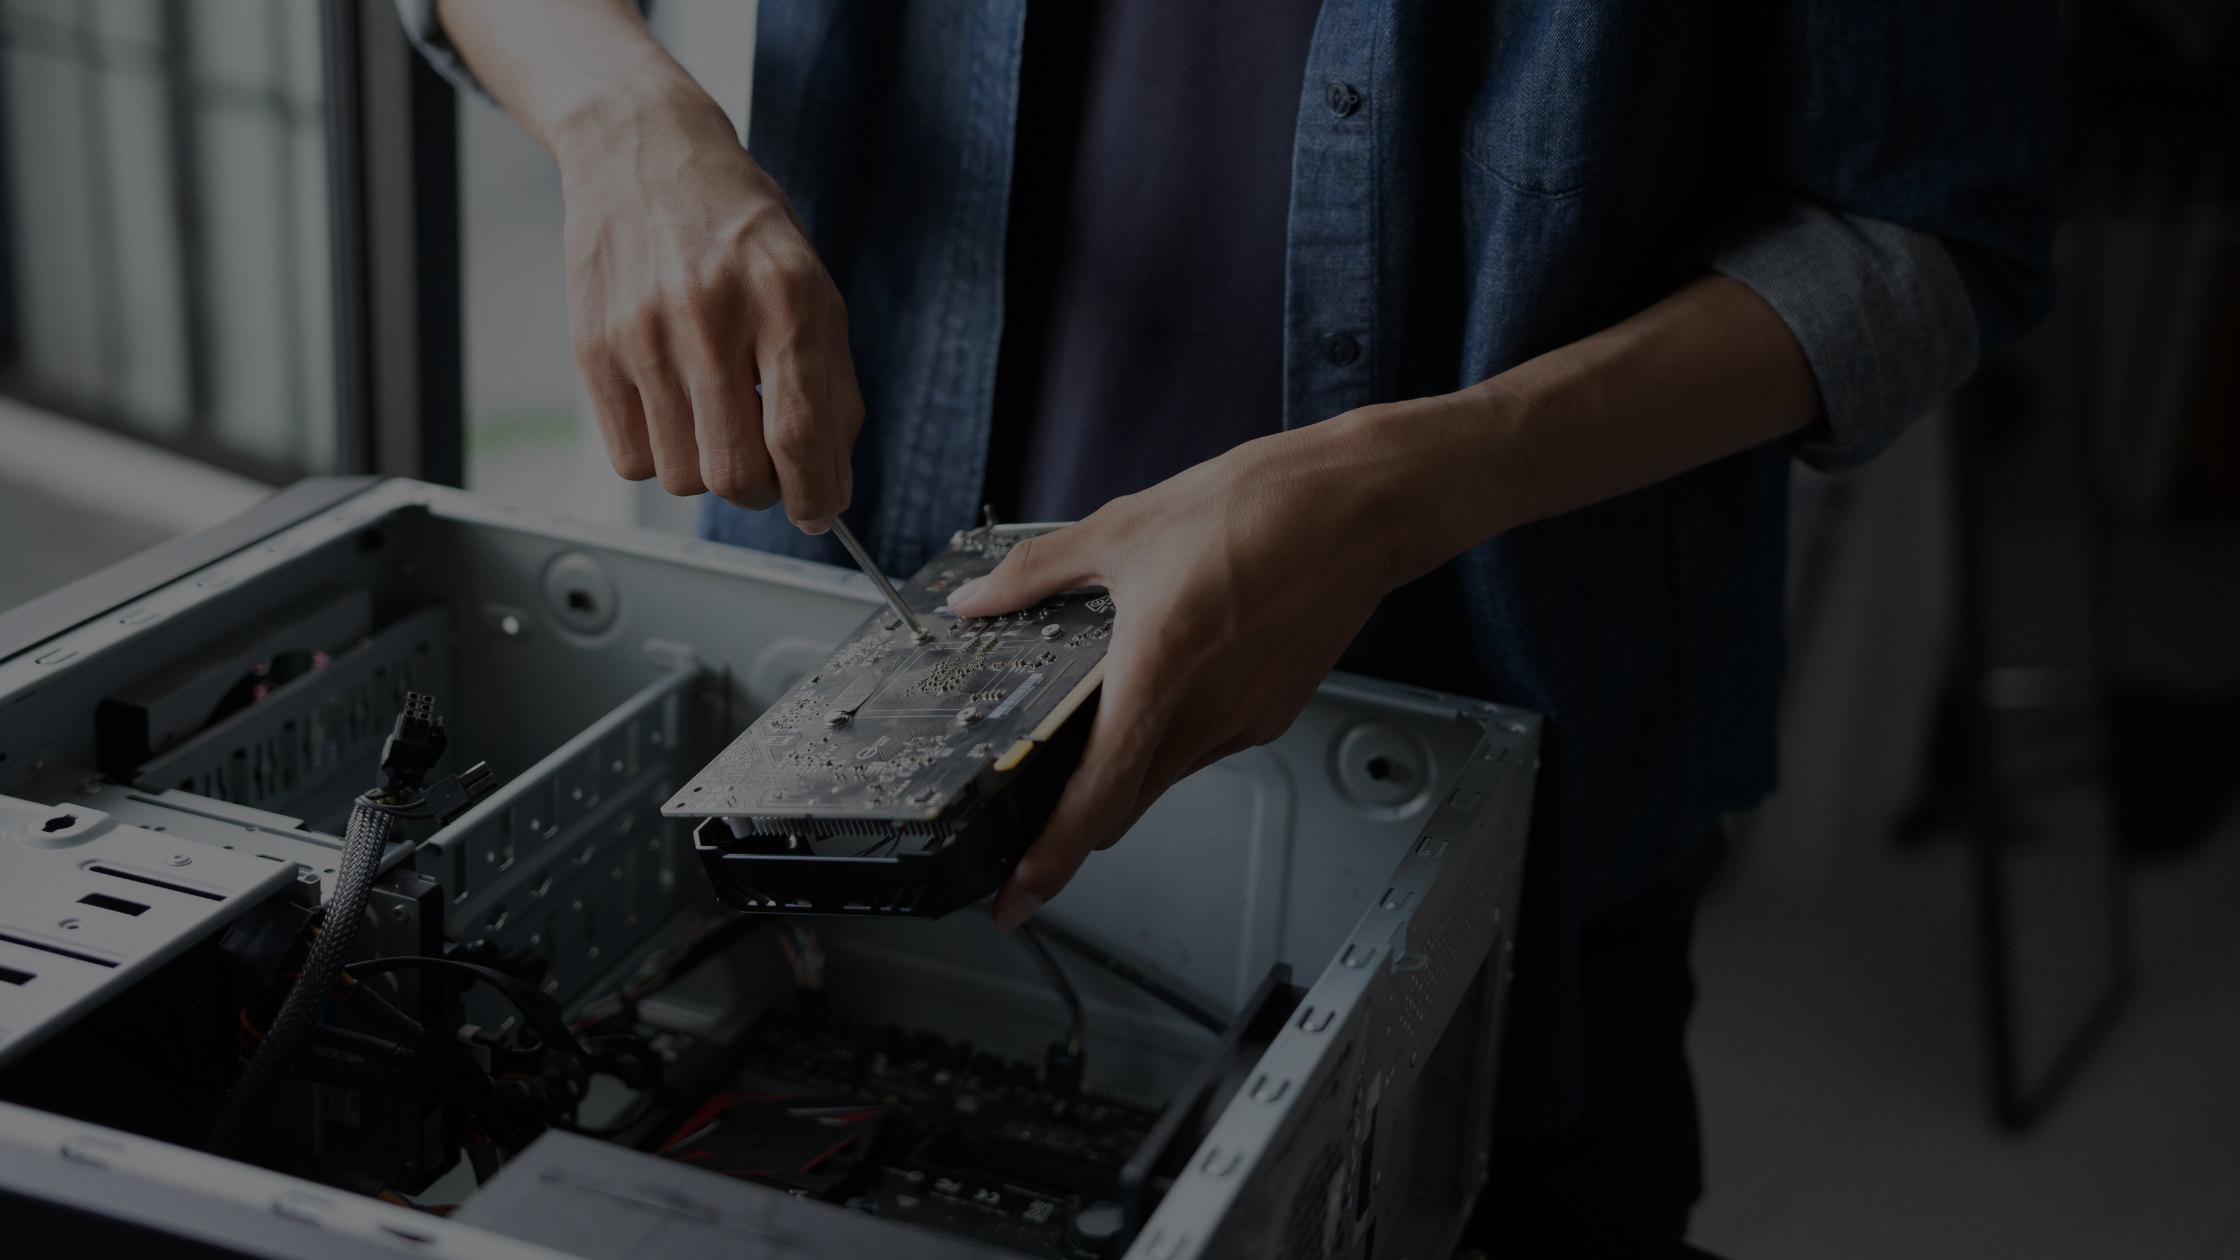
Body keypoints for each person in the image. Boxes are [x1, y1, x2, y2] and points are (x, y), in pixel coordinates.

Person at [405, 0, 2055, 1249]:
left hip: (1501, 802)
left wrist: (1412, 483)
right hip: (836, 735)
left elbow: (1920, 233)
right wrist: (623, 116)